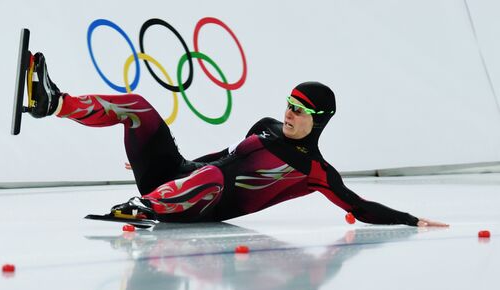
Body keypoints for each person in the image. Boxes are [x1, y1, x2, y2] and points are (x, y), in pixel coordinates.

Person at [27, 52, 448, 227]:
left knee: (213, 179)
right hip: (182, 180)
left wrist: (411, 219)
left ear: (320, 121)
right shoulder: (265, 125)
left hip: (198, 204)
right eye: (289, 103)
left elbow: (360, 206)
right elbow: (226, 157)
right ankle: (55, 102)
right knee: (139, 107)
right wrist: (164, 165)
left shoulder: (315, 172)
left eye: (300, 110)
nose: (289, 112)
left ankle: (141, 208)